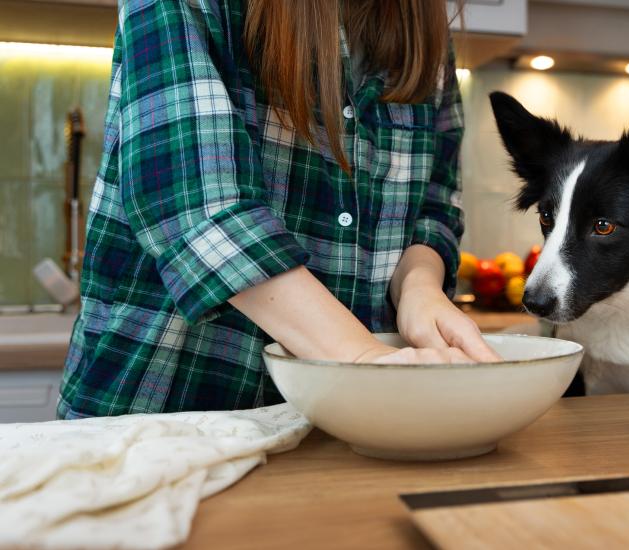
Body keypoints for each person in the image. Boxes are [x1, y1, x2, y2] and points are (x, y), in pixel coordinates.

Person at [58, 0, 500, 419]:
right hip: (162, 410)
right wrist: (362, 358)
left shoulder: (423, 31)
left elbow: (436, 203)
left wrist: (419, 288)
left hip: (339, 420)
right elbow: (197, 203)